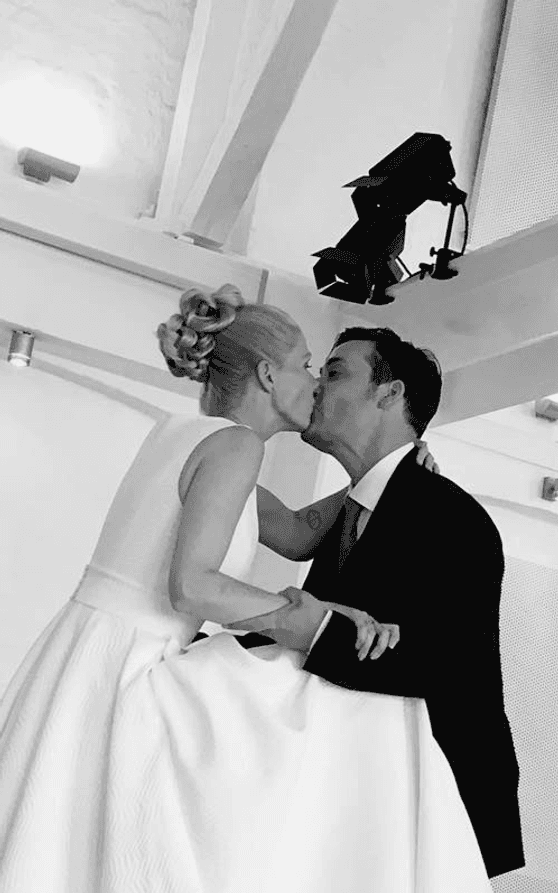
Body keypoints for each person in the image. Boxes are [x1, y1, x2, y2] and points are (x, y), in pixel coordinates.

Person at [0, 285, 492, 892]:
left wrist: (384, 478)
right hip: (128, 661)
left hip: (92, 648)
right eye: (309, 368)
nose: (314, 383)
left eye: (327, 371)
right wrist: (312, 614)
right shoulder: (235, 446)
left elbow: (291, 533)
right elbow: (193, 586)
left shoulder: (182, 434)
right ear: (267, 374)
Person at [251, 326, 526, 878]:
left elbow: (448, 664)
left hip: (425, 812)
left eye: (333, 372)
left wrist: (312, 630)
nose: (316, 387)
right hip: (349, 796)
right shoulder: (355, 508)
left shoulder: (454, 520)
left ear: (390, 394)